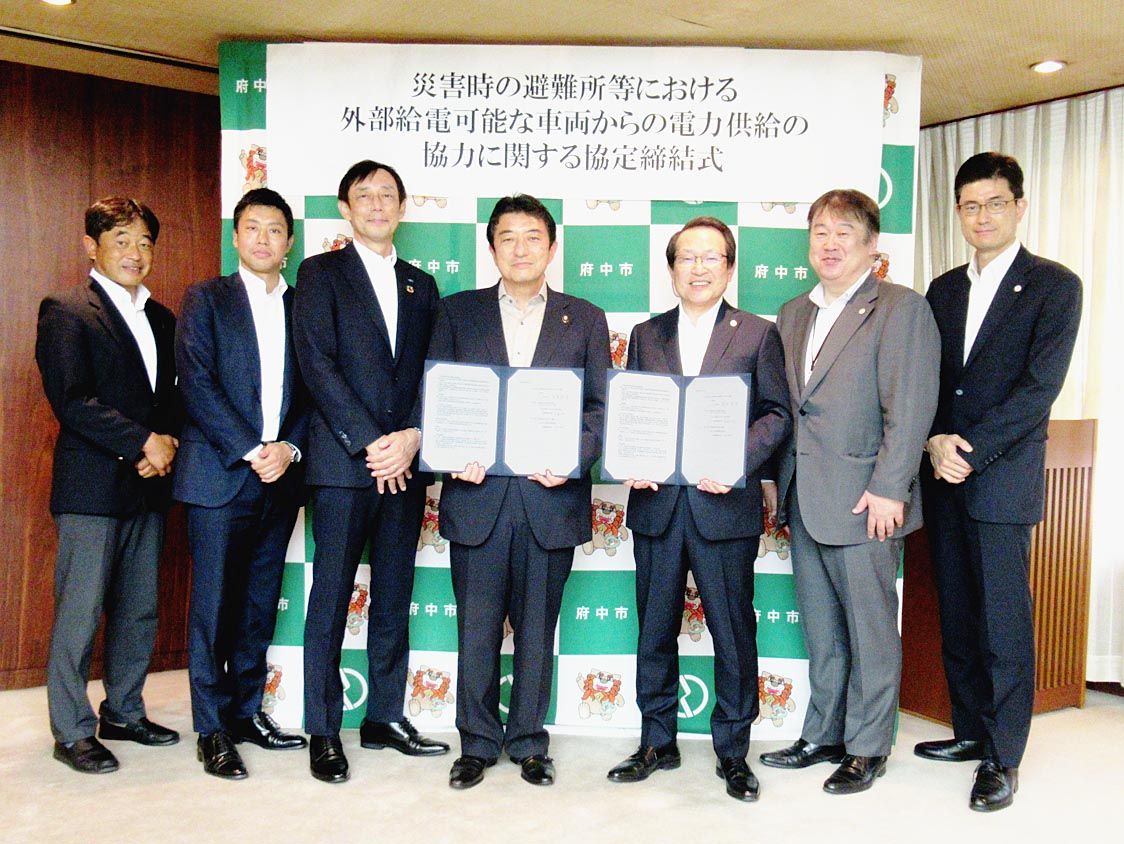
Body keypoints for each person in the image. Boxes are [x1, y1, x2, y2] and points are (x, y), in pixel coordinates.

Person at [916, 152, 1082, 812]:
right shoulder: (942, 290)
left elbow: (1040, 388)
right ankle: (970, 731)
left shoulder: (1054, 286)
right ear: (958, 213)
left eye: (995, 203)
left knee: (1003, 622)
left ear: (1019, 206)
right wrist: (934, 438)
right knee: (957, 612)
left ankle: (1003, 756)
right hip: (943, 475)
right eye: (970, 205)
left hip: (1001, 479)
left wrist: (972, 451)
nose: (982, 216)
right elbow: (929, 379)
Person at [427, 195, 610, 790]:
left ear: (552, 247)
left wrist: (572, 459)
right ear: (492, 247)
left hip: (549, 499)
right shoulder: (457, 312)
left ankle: (530, 741)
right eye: (508, 237)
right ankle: (477, 742)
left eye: (533, 237)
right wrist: (450, 454)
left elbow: (599, 407)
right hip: (477, 497)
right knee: (476, 630)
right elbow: (438, 397)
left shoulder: (585, 318)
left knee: (537, 630)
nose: (521, 248)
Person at [760, 189, 939, 794]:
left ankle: (867, 746)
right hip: (804, 497)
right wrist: (774, 480)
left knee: (869, 630)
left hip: (867, 501)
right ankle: (823, 735)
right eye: (820, 232)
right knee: (822, 630)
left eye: (844, 232)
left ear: (871, 245)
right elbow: (789, 408)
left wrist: (891, 488)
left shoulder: (900, 308)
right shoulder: (793, 313)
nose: (830, 244)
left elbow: (909, 407)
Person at [605, 217, 790, 802]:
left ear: (729, 268)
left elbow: (776, 414)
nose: (699, 268)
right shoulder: (646, 333)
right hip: (658, 503)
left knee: (733, 632)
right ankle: (656, 741)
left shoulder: (758, 333)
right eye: (687, 257)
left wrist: (734, 460)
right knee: (654, 628)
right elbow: (633, 411)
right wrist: (631, 457)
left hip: (723, 505)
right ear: (671, 269)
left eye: (712, 257)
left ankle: (733, 751)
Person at [293, 160, 446, 784]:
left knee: (393, 595)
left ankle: (384, 715)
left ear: (403, 208)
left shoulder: (421, 285)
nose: (378, 204)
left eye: (388, 195)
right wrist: (369, 442)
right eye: (365, 195)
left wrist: (411, 438)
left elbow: (434, 371)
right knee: (330, 596)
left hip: (404, 465)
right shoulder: (319, 273)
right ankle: (323, 728)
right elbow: (317, 365)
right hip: (342, 465)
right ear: (345, 208)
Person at [35, 196, 183, 774]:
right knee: (81, 611)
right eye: (121, 240)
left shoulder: (162, 317)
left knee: (138, 609)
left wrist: (164, 444)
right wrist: (142, 442)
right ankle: (71, 729)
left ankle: (123, 710)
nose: (135, 252)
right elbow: (72, 399)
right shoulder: (67, 310)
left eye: (145, 241)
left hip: (147, 486)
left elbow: (171, 401)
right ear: (91, 246)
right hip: (92, 489)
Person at [174, 188, 310, 780]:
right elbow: (196, 382)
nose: (263, 239)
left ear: (289, 243)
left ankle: (246, 713)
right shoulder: (206, 298)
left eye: (275, 229)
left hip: (280, 478)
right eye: (252, 227)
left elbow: (314, 390)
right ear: (235, 237)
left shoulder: (302, 306)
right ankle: (211, 728)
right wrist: (254, 449)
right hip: (219, 476)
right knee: (213, 606)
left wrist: (289, 449)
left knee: (258, 604)